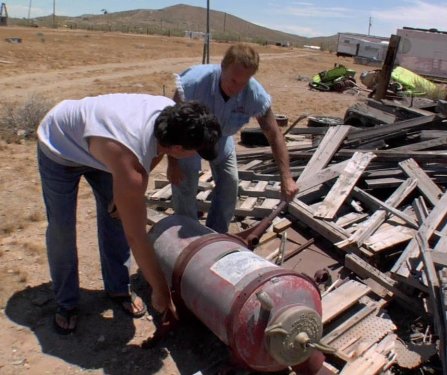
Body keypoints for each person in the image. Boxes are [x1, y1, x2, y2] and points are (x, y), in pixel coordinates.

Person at [37, 93, 221, 335]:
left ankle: (118, 288)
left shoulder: (169, 118)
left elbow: (153, 152)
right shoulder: (128, 158)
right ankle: (67, 303)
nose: (197, 155)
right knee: (62, 229)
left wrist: (123, 198)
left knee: (116, 215)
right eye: (196, 150)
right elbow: (136, 236)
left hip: (103, 147)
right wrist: (161, 290)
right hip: (60, 144)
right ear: (177, 148)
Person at [169, 43, 299, 233]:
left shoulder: (254, 94)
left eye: (243, 82)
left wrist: (286, 178)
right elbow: (172, 125)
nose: (235, 87)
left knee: (230, 183)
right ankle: (188, 234)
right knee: (184, 181)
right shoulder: (193, 84)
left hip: (222, 137)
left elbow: (274, 134)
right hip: (189, 138)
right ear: (222, 66)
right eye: (232, 80)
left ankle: (217, 235)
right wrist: (173, 163)